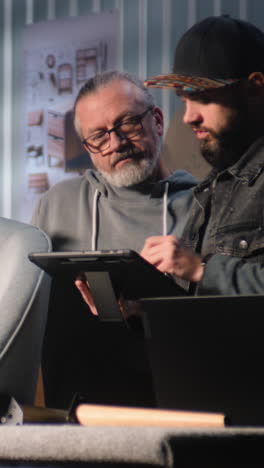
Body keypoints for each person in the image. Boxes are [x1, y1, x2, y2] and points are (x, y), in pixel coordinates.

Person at [32, 70, 196, 408]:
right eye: (99, 136)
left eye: (128, 124)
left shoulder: (202, 204)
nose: (117, 143)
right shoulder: (57, 205)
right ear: (88, 148)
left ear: (158, 121)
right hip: (76, 409)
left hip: (175, 398)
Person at [143, 14, 264, 296]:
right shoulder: (212, 187)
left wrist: (201, 269)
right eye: (184, 100)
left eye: (204, 98)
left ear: (254, 89)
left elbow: (203, 274)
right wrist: (141, 307)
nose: (188, 117)